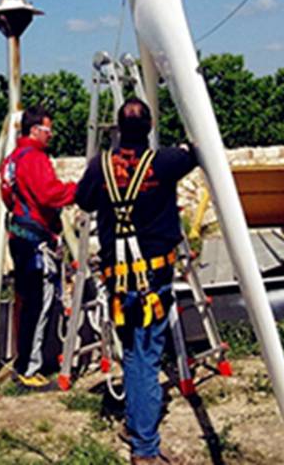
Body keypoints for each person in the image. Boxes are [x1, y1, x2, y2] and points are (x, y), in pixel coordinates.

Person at [75, 98, 198, 465]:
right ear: (148, 129)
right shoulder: (164, 163)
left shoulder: (101, 168)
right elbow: (198, 148)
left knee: (133, 351)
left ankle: (134, 424)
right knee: (146, 356)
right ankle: (145, 448)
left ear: (116, 129)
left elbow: (84, 200)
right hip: (152, 281)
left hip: (120, 283)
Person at [0, 104, 77, 389]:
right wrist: (76, 191)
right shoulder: (34, 158)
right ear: (35, 130)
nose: (51, 134)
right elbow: (49, 193)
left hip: (20, 237)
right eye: (48, 129)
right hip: (35, 243)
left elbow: (7, 196)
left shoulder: (13, 159)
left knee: (27, 302)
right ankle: (28, 370)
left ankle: (25, 363)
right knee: (38, 304)